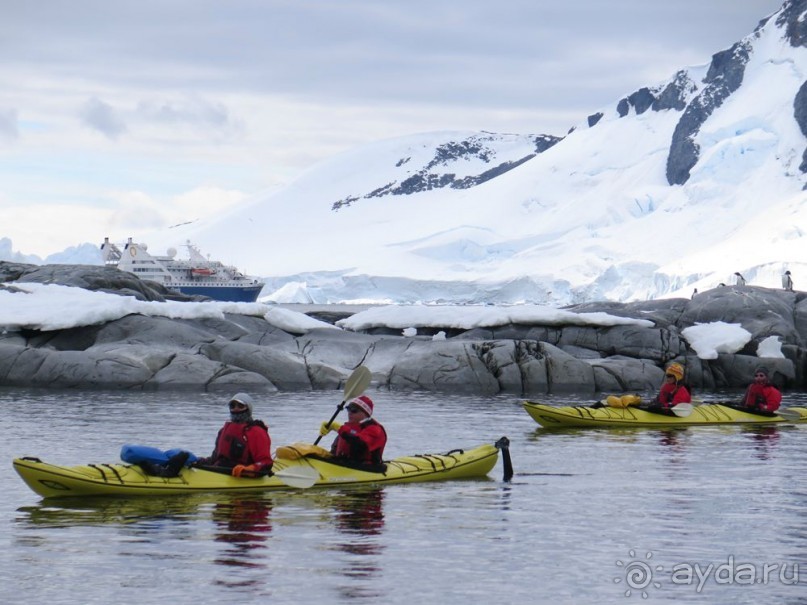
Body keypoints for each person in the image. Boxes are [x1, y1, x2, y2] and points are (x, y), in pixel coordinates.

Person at [194, 393, 273, 477]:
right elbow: (214, 459)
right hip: (221, 469)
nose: (236, 409)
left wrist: (249, 469)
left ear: (248, 409)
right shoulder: (223, 431)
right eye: (232, 406)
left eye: (240, 406)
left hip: (242, 474)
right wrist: (197, 461)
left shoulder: (257, 432)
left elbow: (266, 463)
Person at [319, 395, 387, 469]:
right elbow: (334, 451)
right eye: (348, 409)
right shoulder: (349, 428)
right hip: (345, 465)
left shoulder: (375, 429)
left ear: (365, 413)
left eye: (354, 410)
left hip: (367, 468)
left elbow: (359, 442)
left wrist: (338, 428)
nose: (350, 413)